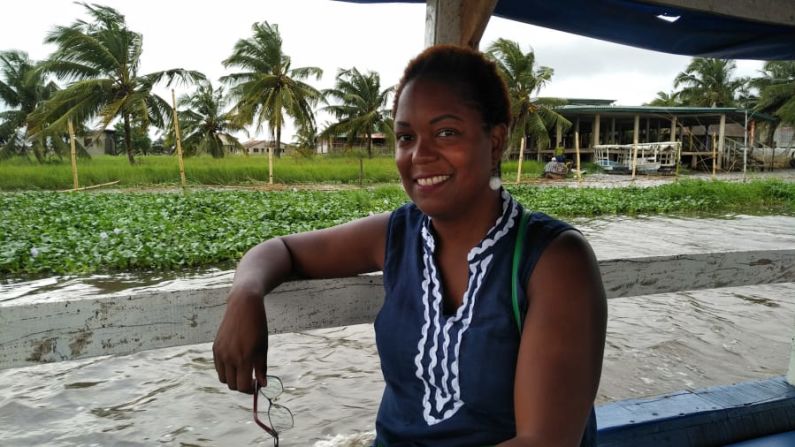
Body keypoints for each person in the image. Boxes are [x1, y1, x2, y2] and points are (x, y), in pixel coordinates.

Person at [213, 45, 607, 447]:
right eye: (406, 137)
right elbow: (282, 250)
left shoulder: (554, 260)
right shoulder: (398, 235)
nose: (420, 154)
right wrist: (245, 295)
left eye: (446, 132)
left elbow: (545, 441)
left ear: (495, 141)